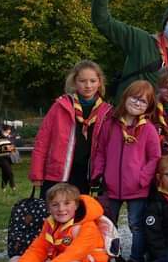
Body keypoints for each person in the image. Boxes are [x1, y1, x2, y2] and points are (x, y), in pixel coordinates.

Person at [93, 80, 161, 262]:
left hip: (137, 186)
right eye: (135, 98)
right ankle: (113, 258)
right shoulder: (110, 125)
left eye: (143, 101)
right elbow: (101, 151)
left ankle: (136, 259)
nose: (138, 103)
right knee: (109, 224)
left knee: (136, 225)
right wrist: (98, 174)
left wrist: (143, 178)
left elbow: (155, 157)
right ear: (125, 97)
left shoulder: (148, 129)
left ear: (149, 106)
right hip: (111, 185)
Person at [8, 183, 111, 262]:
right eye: (55, 205)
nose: (61, 209)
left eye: (67, 203)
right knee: (15, 261)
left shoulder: (87, 227)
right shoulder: (50, 223)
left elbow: (69, 258)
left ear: (76, 205)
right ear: (48, 208)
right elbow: (37, 251)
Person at [30, 61, 112, 198]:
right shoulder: (60, 106)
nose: (88, 85)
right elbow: (42, 141)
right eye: (82, 81)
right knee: (55, 214)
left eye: (93, 81)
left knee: (81, 216)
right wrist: (37, 173)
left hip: (86, 177)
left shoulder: (106, 112)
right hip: (57, 175)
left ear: (99, 82)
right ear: (74, 82)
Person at [0, 123, 18, 192]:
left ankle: (3, 187)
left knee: (5, 172)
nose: (8, 133)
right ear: (2, 130)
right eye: (7, 131)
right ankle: (13, 186)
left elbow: (12, 146)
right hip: (0, 157)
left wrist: (13, 149)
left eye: (9, 131)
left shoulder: (9, 137)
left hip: (8, 157)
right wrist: (5, 148)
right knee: (9, 172)